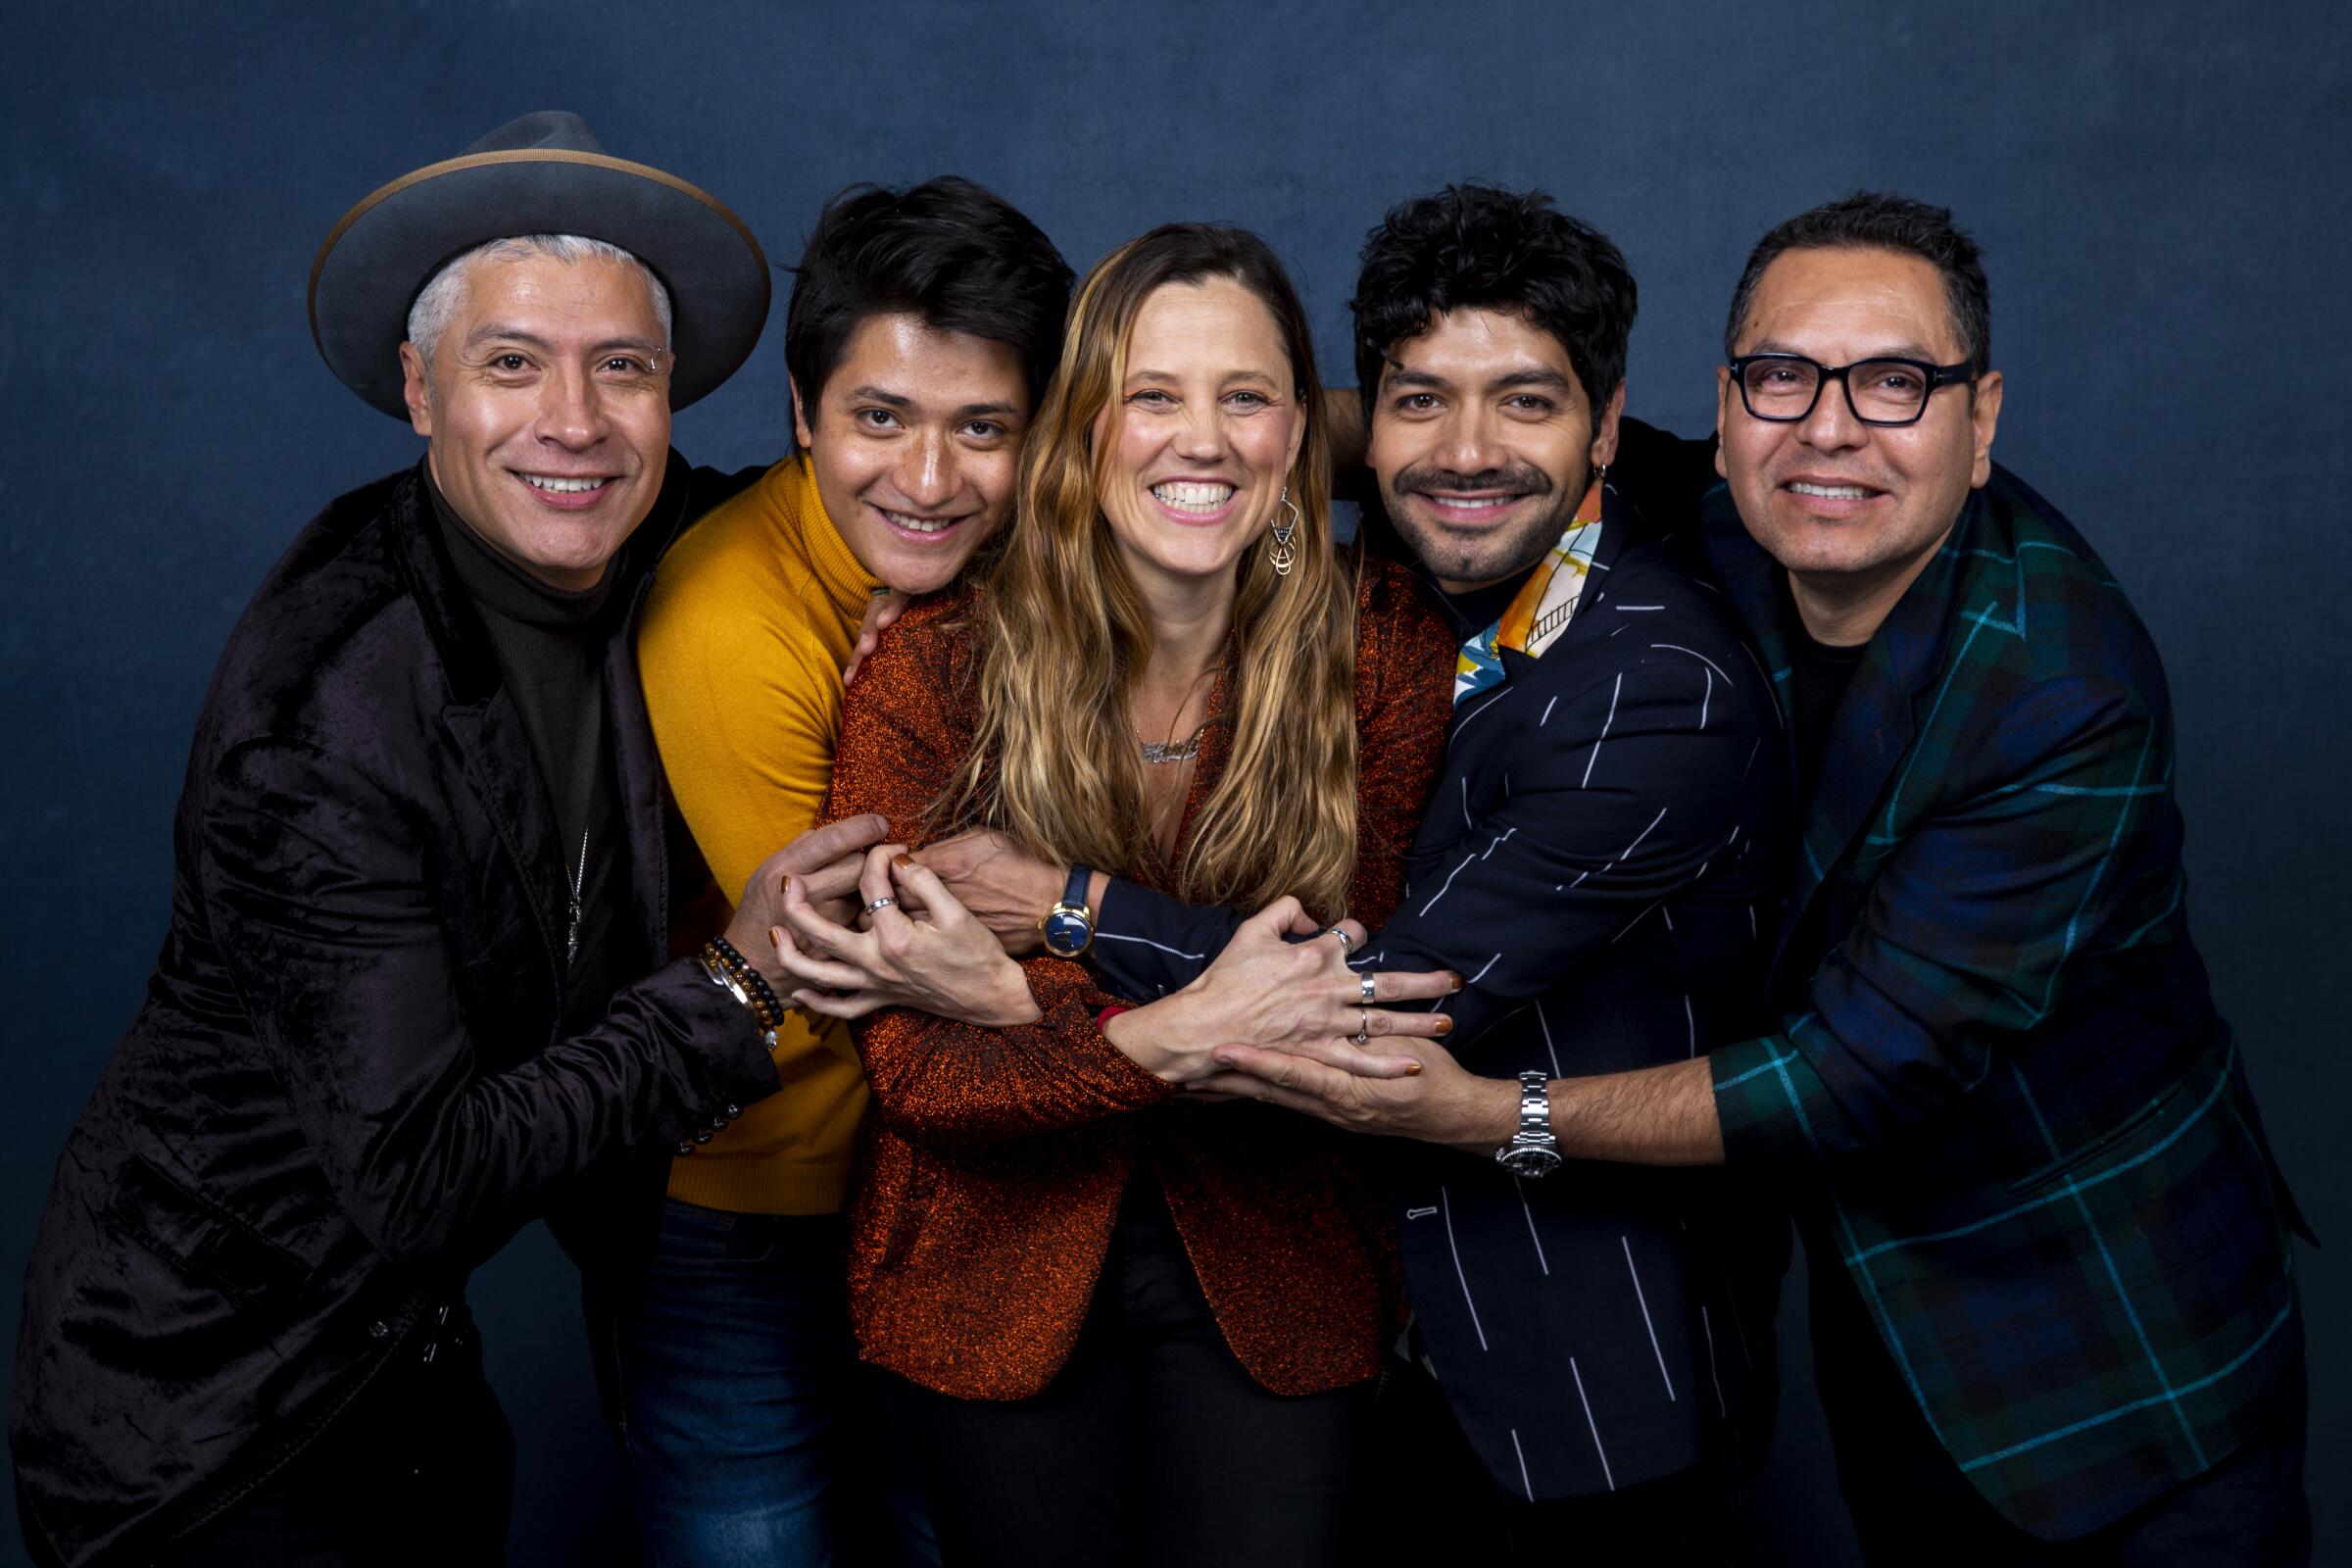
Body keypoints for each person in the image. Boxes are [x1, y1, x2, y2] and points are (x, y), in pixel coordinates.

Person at [1204, 193, 2315, 1564]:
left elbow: (1854, 1076)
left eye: (1896, 382)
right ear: (1725, 411)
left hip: (2107, 1339)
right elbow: (1487, 449)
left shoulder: (2059, 692)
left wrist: (1493, 1113)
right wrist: (1195, 436)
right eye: (1783, 378)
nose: (1831, 427)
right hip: (1870, 1311)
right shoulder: (1731, 512)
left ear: (1984, 424)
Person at [6, 113, 880, 1568]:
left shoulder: (638, 537)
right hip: (210, 1412)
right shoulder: (323, 707)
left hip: (415, 1374)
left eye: (623, 368)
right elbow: (422, 1179)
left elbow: (894, 493)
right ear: (421, 392)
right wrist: (738, 983)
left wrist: (1334, 459)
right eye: (512, 363)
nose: (574, 420)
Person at [901, 184, 1793, 1562]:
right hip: (1380, 1326)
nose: (1470, 451)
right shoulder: (1409, 569)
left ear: (1610, 425)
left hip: (1570, 1369)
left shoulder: (1657, 686)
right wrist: (895, 542)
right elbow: (1206, 458)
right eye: (1421, 402)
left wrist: (1067, 909)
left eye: (1530, 404)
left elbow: (1378, 1003)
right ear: (1362, 427)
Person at [773, 222, 1461, 1566]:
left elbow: (1350, 1009)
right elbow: (919, 1073)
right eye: (1153, 395)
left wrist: (1038, 955)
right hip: (986, 1265)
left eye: (1244, 397)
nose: (1198, 440)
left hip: (1284, 1258)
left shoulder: (1381, 645)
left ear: (1295, 432)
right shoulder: (935, 666)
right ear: (1088, 425)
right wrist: (1166, 1036)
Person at [620, 176, 1071, 1567]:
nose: (928, 482)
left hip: (980, 1200)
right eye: (880, 419)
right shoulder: (725, 617)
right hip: (760, 1222)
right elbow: (867, 958)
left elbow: (1275, 535)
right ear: (804, 416)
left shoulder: (1038, 567)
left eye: (982, 428)